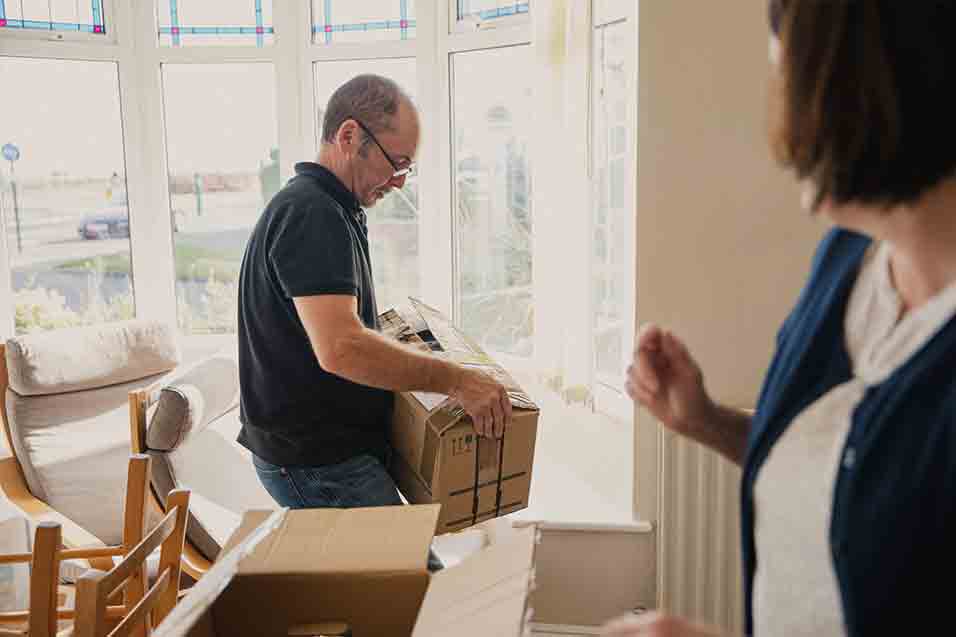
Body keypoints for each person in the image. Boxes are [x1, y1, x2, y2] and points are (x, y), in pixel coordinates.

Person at [606, 1, 956, 635]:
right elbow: (856, 476)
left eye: (785, 75)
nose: (781, 124)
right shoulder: (845, 258)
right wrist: (706, 422)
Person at [237, 75, 512, 568]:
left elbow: (340, 332)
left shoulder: (329, 207)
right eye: (397, 163)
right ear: (348, 137)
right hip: (319, 461)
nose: (401, 180)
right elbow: (341, 348)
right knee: (420, 596)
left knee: (373, 601)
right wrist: (458, 381)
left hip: (328, 453)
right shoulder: (312, 213)